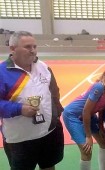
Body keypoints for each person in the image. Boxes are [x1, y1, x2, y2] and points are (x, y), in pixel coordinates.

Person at [0, 31, 64, 170]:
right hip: (20, 139)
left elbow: (54, 92)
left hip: (48, 132)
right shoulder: (2, 72)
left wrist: (56, 115)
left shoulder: (43, 67)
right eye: (27, 47)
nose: (33, 50)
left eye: (34, 46)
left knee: (49, 166)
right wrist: (19, 109)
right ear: (12, 48)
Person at [62, 59, 105, 170]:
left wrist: (101, 127)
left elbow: (103, 107)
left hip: (90, 115)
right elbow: (85, 111)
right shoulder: (99, 87)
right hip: (73, 115)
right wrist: (88, 136)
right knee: (86, 150)